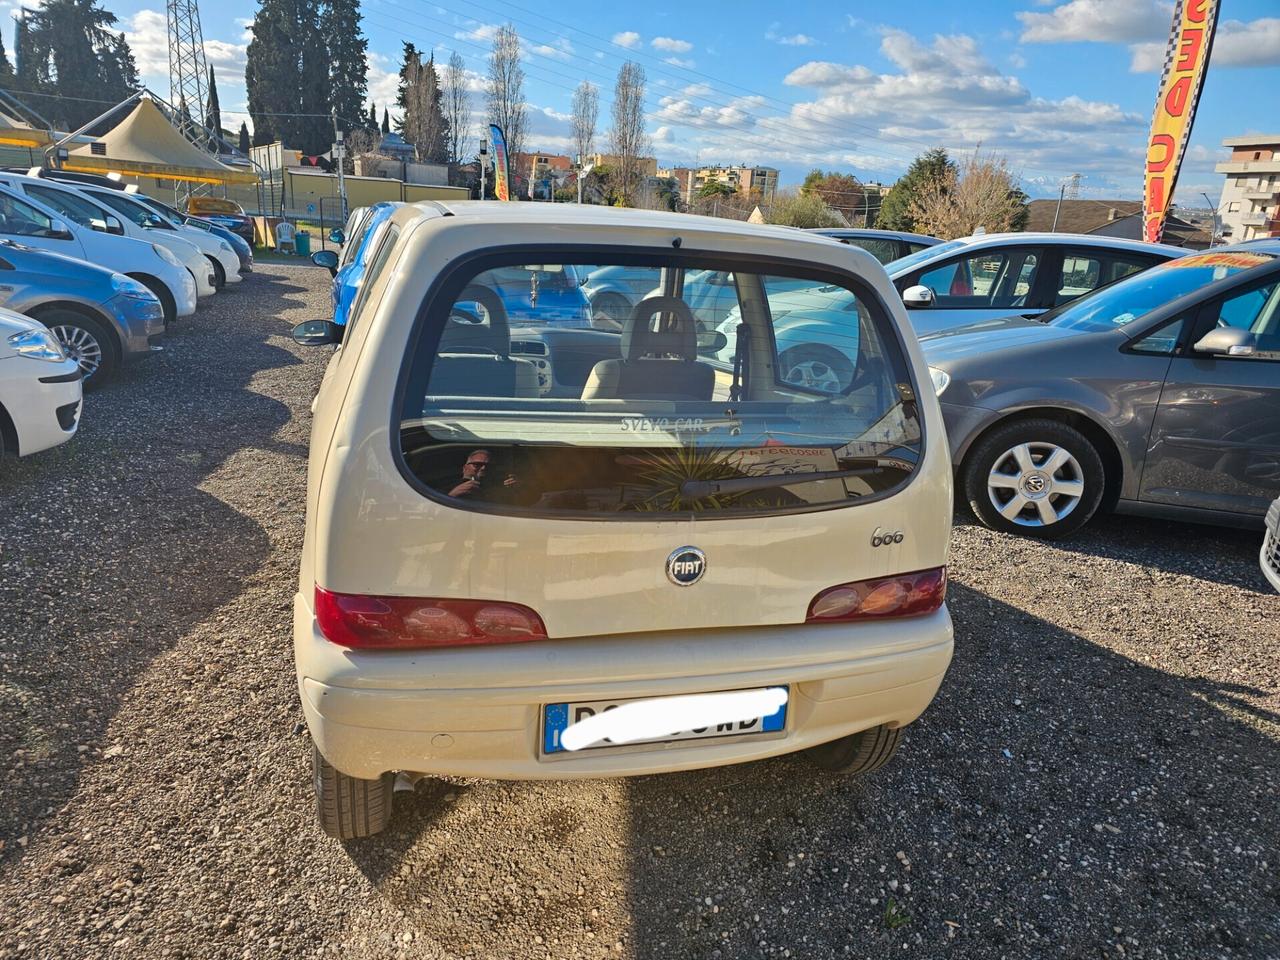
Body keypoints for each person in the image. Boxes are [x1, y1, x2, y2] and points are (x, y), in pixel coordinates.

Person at [448, 449, 520, 499]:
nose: (483, 468)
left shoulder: (500, 488)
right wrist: (453, 494)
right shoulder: (446, 487)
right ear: (464, 468)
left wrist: (517, 490)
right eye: (477, 464)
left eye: (489, 466)